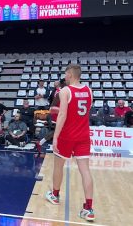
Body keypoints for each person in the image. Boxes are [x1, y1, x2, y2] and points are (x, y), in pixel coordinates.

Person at [46, 64, 95, 222]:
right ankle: (88, 208)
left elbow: (62, 115)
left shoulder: (65, 91)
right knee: (85, 171)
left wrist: (55, 137)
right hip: (83, 135)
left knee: (58, 166)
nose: (64, 77)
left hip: (67, 135)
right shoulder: (89, 90)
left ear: (70, 74)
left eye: (66, 74)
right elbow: (86, 111)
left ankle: (55, 194)